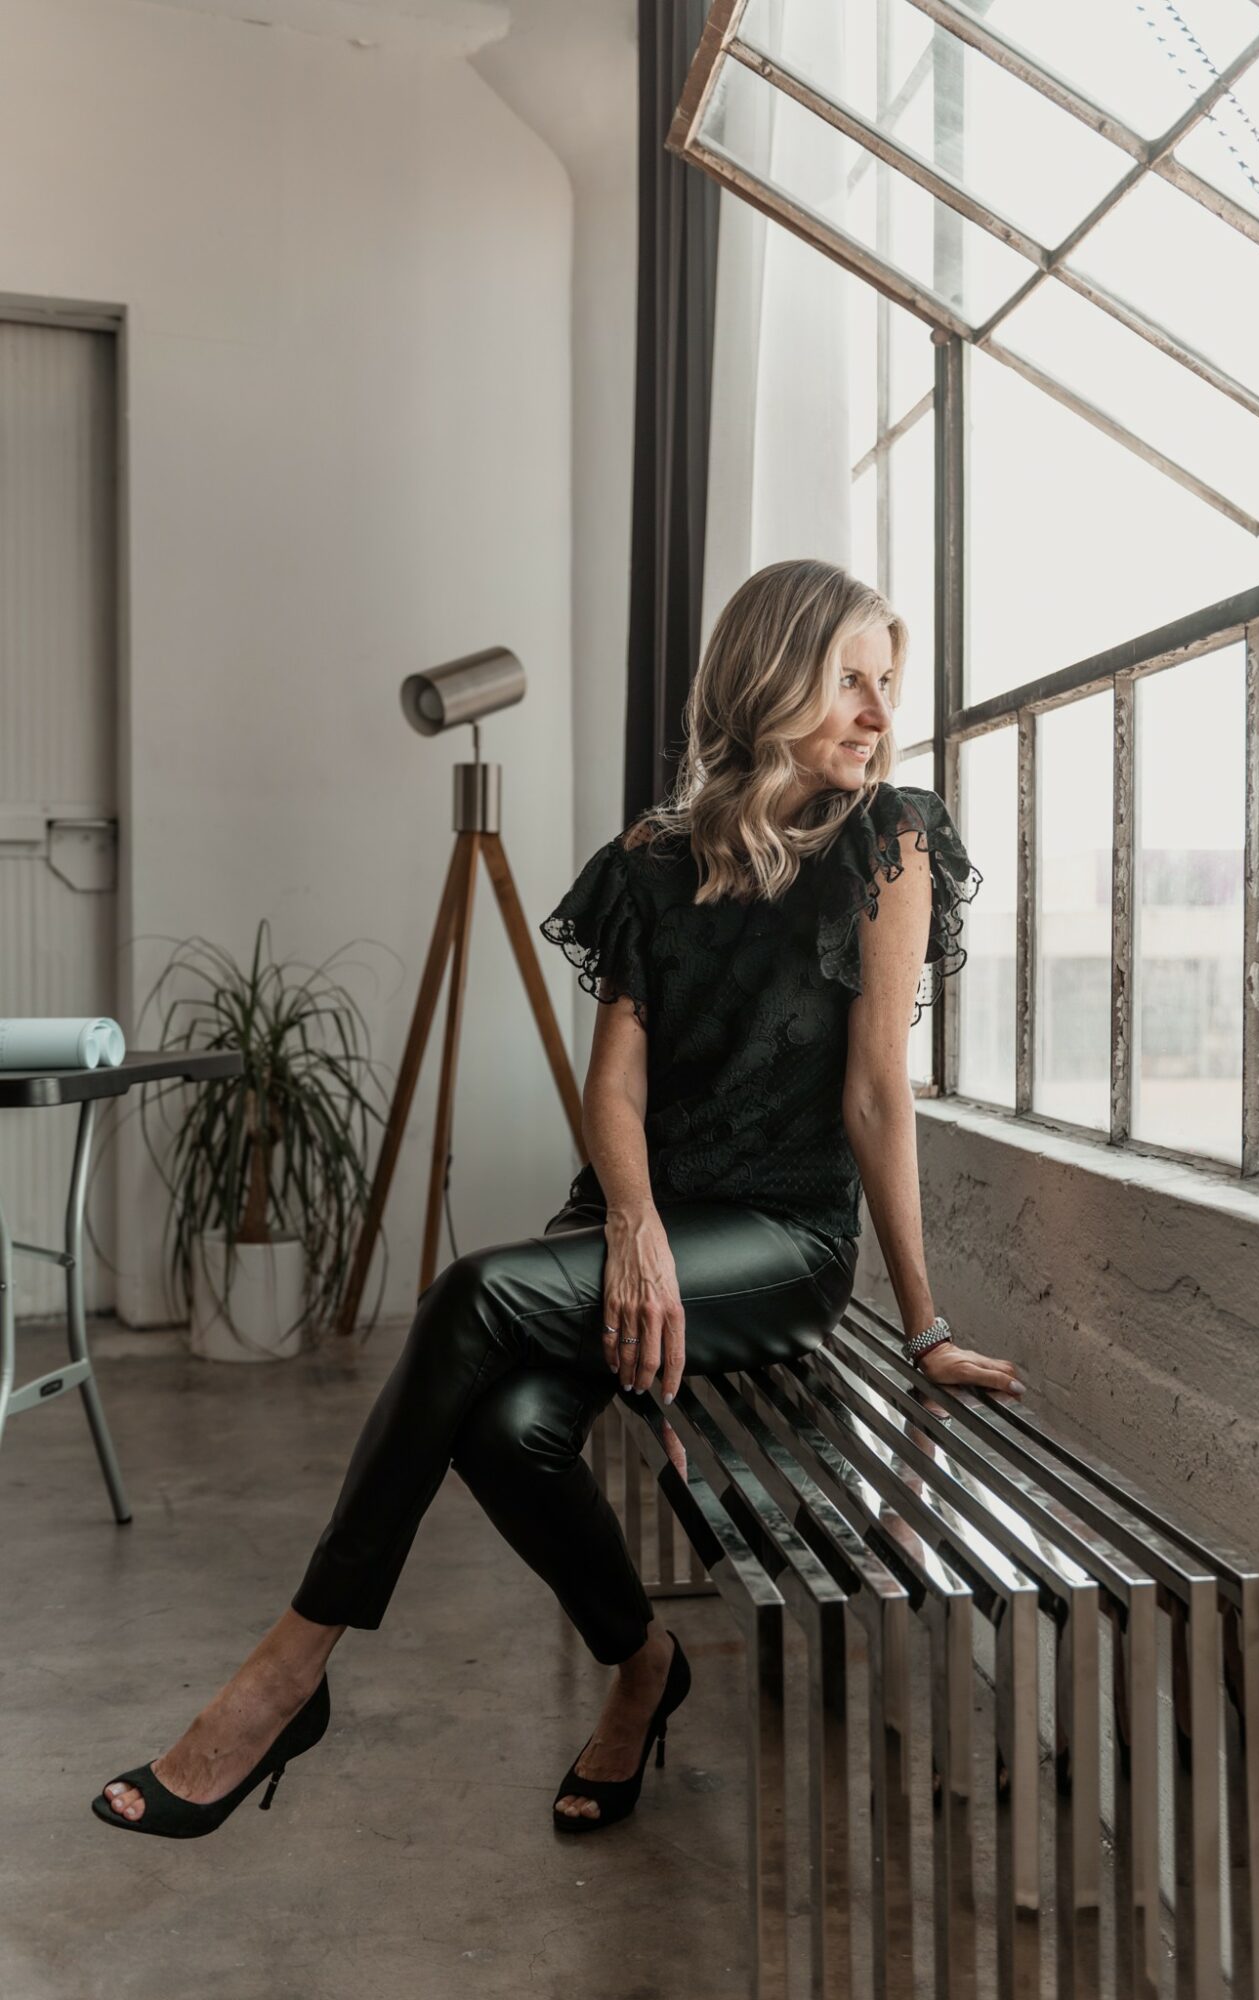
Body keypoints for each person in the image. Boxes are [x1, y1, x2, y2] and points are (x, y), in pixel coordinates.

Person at [91, 556, 1024, 1841]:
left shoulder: (891, 838)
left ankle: (290, 1665)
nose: (878, 710)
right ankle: (644, 1663)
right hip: (637, 1225)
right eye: (849, 679)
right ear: (771, 678)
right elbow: (615, 1093)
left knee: (473, 1291)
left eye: (888, 683)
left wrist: (922, 1325)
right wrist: (633, 1228)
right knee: (504, 1425)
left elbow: (875, 1100)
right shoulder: (648, 858)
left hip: (775, 1245)